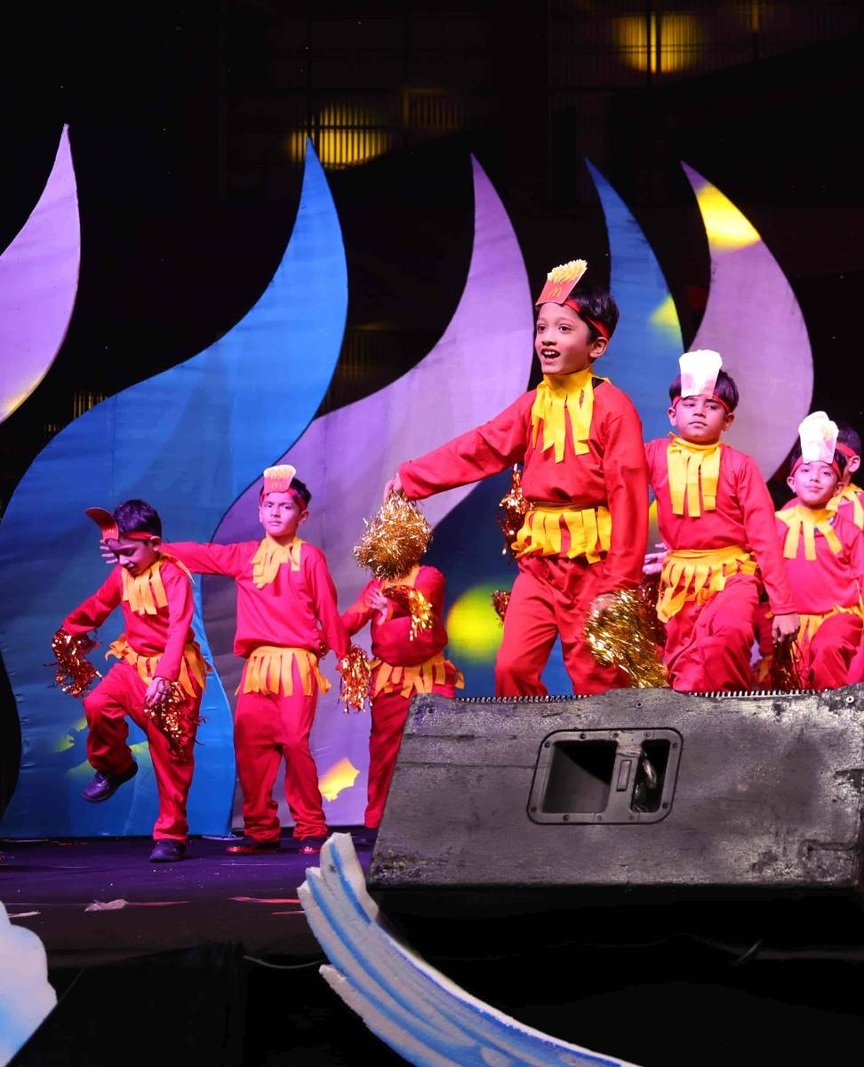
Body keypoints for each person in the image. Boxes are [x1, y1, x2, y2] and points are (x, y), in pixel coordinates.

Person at [385, 260, 648, 696]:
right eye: (542, 328)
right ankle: (532, 742)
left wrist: (617, 585)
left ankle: (602, 743)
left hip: (593, 565)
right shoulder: (532, 405)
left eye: (563, 329)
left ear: (597, 345)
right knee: (512, 668)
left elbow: (630, 500)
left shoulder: (614, 409)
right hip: (539, 563)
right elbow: (482, 446)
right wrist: (412, 477)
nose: (547, 338)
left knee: (597, 679)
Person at [163, 465, 349, 855]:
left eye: (286, 506)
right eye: (270, 505)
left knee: (294, 743)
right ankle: (261, 830)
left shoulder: (310, 557)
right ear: (260, 511)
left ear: (302, 516)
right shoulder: (244, 556)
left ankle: (311, 827)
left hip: (295, 664)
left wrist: (346, 658)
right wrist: (152, 549)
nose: (277, 512)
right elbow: (202, 555)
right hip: (257, 668)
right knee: (251, 746)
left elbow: (328, 612)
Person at [62, 500, 209, 862]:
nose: (123, 560)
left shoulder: (174, 575)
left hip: (174, 675)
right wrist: (68, 631)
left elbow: (178, 628)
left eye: (128, 552)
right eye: (117, 553)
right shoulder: (122, 574)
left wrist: (165, 675)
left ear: (154, 544)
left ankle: (171, 835)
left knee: (171, 753)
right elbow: (98, 605)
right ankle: (116, 766)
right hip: (133, 666)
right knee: (97, 704)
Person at [646, 350, 797, 690]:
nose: (699, 411)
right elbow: (613, 482)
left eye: (712, 406)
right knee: (685, 674)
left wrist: (783, 606)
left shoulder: (741, 466)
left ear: (727, 420)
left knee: (728, 638)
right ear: (672, 413)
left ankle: (735, 719)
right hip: (680, 582)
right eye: (689, 404)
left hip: (733, 576)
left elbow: (765, 538)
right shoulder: (654, 455)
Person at [774, 412, 864, 687]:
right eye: (806, 470)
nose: (814, 478)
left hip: (844, 623)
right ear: (792, 482)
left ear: (836, 485)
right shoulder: (781, 521)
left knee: (832, 660)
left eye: (825, 471)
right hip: (794, 625)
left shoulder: (858, 519)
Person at [341, 559, 462, 832]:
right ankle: (377, 823)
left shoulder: (429, 575)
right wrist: (317, 639)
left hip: (430, 677)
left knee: (441, 746)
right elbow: (351, 618)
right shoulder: (377, 585)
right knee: (384, 752)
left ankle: (441, 822)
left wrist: (391, 607)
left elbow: (422, 601)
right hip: (390, 681)